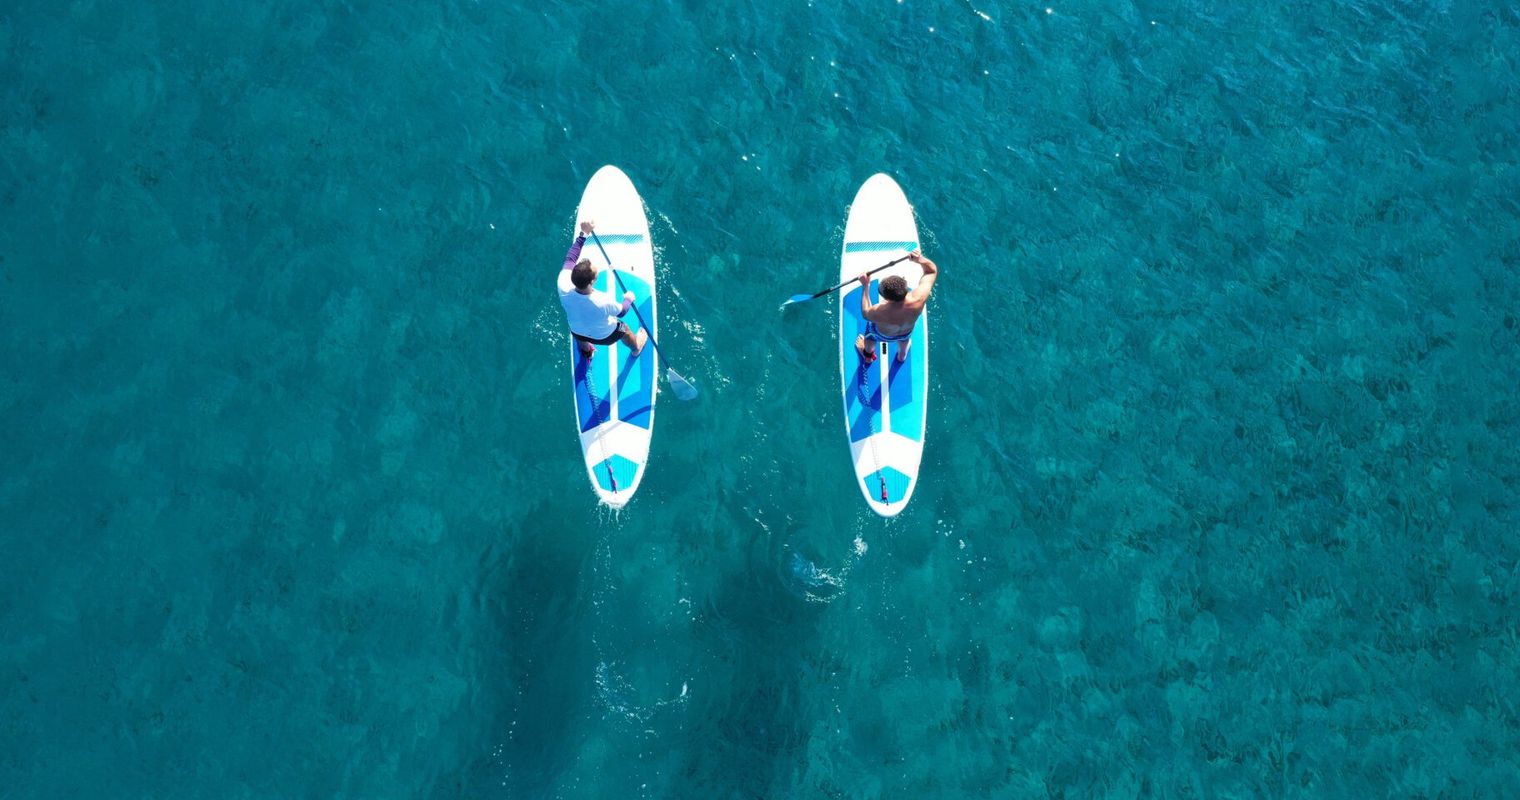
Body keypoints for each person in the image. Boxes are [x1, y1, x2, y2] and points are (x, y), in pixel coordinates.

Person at [558, 220, 647, 359]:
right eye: (596, 273)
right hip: (605, 336)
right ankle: (636, 347)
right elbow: (622, 311)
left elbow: (571, 257)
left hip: (576, 331)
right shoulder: (602, 301)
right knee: (624, 329)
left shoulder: (563, 284)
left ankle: (587, 351)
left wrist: (583, 234)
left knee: (579, 334)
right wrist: (628, 299)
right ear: (591, 282)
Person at [855, 249, 938, 364]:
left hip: (881, 334)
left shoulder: (880, 312)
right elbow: (931, 272)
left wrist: (866, 285)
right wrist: (920, 260)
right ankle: (901, 356)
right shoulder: (919, 298)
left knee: (870, 337)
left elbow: (865, 312)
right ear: (905, 287)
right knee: (904, 341)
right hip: (906, 332)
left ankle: (868, 357)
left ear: (887, 298)